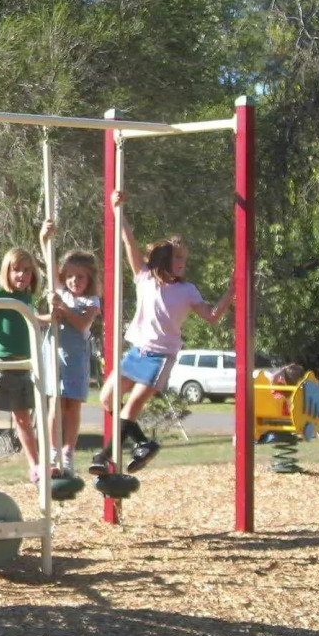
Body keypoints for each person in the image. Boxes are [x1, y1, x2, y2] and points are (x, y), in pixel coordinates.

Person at [90, 189, 235, 476]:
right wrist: (118, 210)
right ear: (163, 260)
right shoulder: (144, 278)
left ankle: (104, 456)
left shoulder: (187, 290)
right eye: (178, 259)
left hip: (160, 358)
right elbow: (129, 243)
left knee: (130, 407)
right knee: (107, 399)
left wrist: (231, 291)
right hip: (135, 353)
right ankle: (143, 442)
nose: (183, 264)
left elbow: (212, 316)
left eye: (184, 260)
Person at [0, 246, 45, 482]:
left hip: (22, 365)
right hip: (0, 364)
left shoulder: (26, 297)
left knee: (23, 419)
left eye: (27, 271)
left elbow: (32, 319)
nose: (22, 275)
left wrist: (51, 317)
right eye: (16, 270)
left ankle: (35, 466)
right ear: (7, 272)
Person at [38, 227, 100, 478]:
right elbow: (50, 265)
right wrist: (44, 239)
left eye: (81, 277)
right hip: (55, 354)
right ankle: (53, 451)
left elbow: (82, 324)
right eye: (71, 276)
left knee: (72, 405)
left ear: (89, 280)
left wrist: (62, 308)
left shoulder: (90, 302)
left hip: (75, 358)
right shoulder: (60, 292)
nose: (75, 281)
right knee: (55, 401)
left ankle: (67, 452)